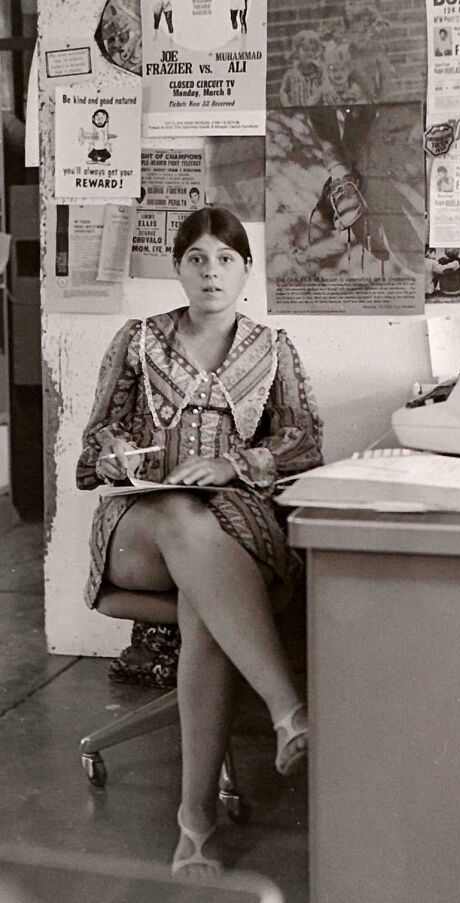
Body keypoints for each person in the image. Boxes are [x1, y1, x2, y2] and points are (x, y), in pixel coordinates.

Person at [76, 206, 323, 880]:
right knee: (184, 518)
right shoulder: (138, 340)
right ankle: (286, 708)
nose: (211, 271)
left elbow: (304, 441)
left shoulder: (273, 348)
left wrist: (233, 466)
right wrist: (121, 451)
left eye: (226, 259)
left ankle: (195, 829)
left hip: (237, 526)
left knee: (203, 606)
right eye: (197, 259)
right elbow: (94, 437)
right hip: (140, 530)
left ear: (245, 270)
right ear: (178, 266)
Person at [279, 30, 324, 107]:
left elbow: (324, 87)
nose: (310, 53)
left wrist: (318, 95)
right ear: (297, 51)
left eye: (313, 50)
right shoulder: (290, 74)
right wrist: (287, 105)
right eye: (305, 50)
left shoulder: (319, 72)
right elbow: (283, 91)